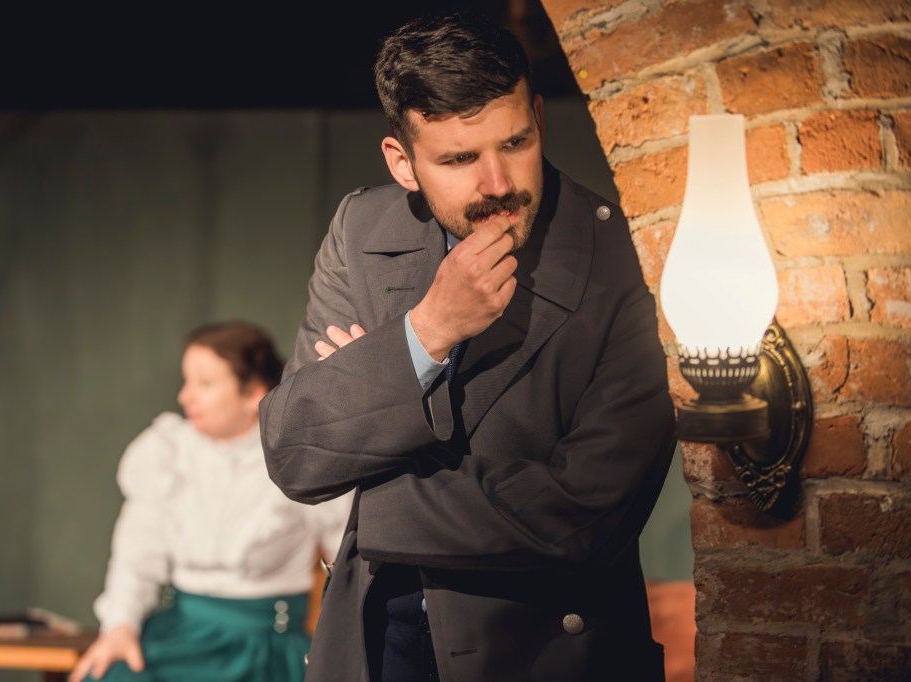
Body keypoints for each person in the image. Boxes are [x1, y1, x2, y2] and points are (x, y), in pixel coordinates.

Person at [261, 12, 676, 682]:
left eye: (514, 143)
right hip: (376, 637)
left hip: (542, 651)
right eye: (458, 159)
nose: (498, 183)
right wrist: (427, 330)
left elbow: (584, 514)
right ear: (402, 162)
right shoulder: (361, 228)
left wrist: (367, 482)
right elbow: (296, 452)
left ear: (538, 118)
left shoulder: (623, 254)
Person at [71, 322, 350, 682]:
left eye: (204, 384)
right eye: (186, 382)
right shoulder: (167, 453)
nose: (185, 396)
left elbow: (347, 558)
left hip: (265, 647)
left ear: (253, 393)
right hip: (180, 634)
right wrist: (120, 627)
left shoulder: (299, 458)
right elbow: (137, 558)